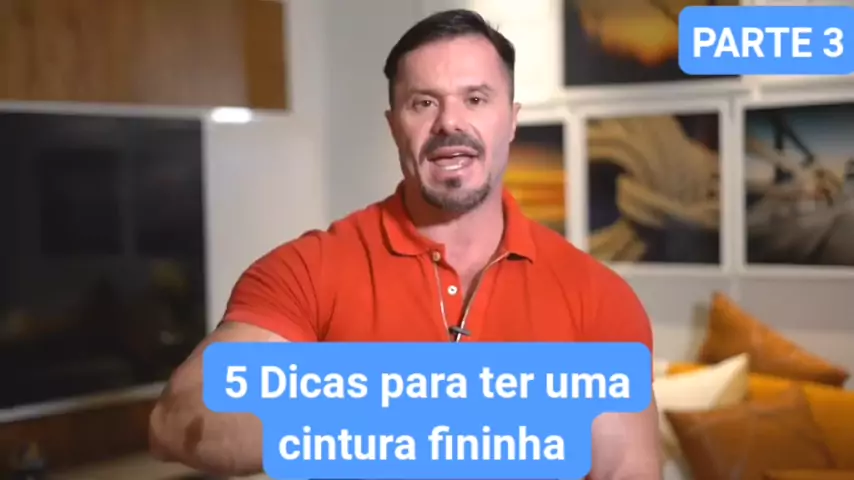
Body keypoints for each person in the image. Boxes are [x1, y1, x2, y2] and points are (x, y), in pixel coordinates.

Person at [149, 8, 661, 479]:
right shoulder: (309, 270)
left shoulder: (597, 296)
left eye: (476, 99)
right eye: (424, 103)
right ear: (395, 126)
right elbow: (178, 420)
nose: (450, 123)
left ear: (511, 120)